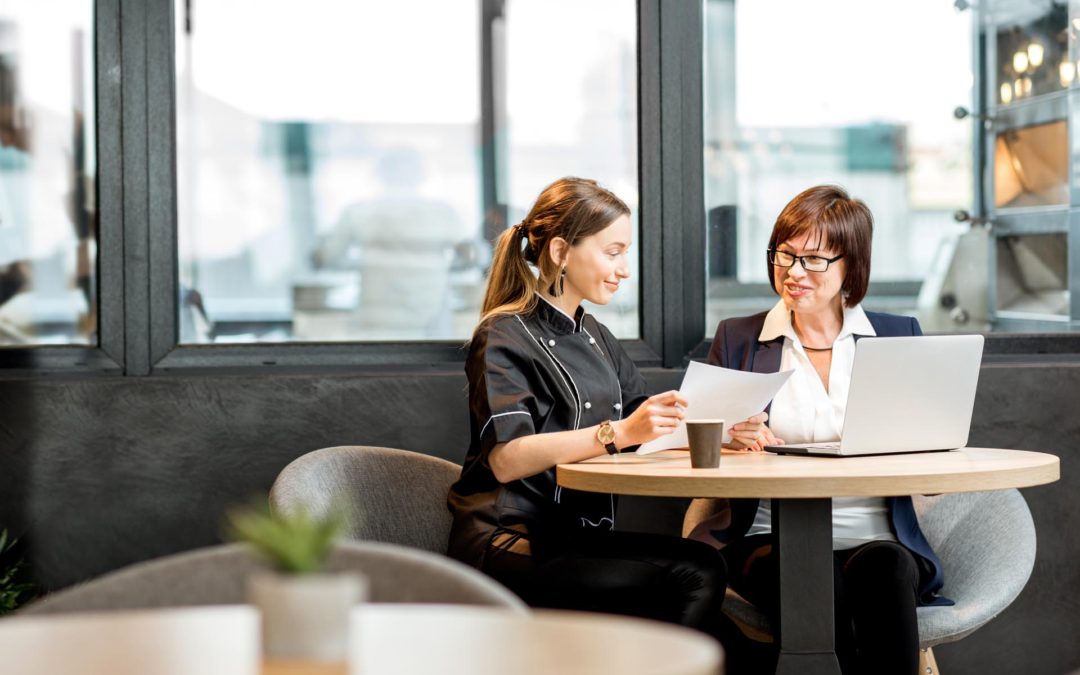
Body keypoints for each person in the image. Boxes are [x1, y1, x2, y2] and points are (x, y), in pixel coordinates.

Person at [446, 177, 770, 635]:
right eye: (613, 252)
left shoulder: (595, 335)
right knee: (697, 573)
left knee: (726, 629)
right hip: (509, 540)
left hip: (574, 538)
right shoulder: (503, 334)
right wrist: (615, 433)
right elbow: (505, 459)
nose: (624, 269)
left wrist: (725, 431)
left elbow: (650, 424)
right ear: (560, 251)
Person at [693, 185, 951, 674]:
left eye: (813, 259)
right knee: (812, 574)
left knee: (887, 570)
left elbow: (932, 463)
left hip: (878, 536)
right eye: (784, 255)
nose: (793, 272)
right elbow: (701, 452)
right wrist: (731, 440)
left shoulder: (898, 336)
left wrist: (921, 451)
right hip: (769, 537)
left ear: (849, 265)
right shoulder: (740, 339)